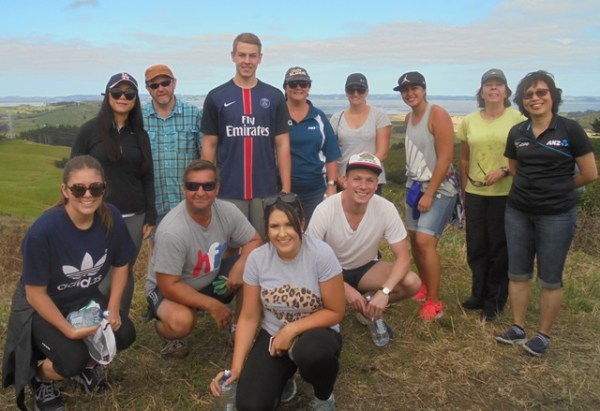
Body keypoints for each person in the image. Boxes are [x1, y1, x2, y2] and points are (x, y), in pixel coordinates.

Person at [2, 155, 136, 411]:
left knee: (125, 333)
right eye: (78, 189)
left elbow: (121, 263)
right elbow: (35, 295)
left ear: (104, 188)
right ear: (65, 190)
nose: (88, 195)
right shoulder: (43, 232)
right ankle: (41, 378)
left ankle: (86, 369)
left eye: (95, 188)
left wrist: (114, 307)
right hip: (41, 307)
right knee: (72, 358)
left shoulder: (111, 217)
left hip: (82, 299)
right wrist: (68, 330)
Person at [210, 193, 345, 410]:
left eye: (289, 224)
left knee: (311, 353)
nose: (282, 234)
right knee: (250, 406)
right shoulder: (257, 259)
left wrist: (291, 329)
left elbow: (335, 311)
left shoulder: (321, 254)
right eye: (274, 226)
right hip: (274, 334)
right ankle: (283, 377)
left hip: (318, 332)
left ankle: (324, 397)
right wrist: (236, 368)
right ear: (267, 229)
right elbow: (249, 317)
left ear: (302, 224)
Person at [496, 70, 597, 356]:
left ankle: (542, 335)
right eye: (528, 94)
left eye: (541, 92)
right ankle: (517, 328)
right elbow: (514, 169)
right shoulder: (518, 132)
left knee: (550, 277)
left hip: (557, 215)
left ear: (553, 96)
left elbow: (590, 173)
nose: (535, 98)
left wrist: (559, 187)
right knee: (518, 273)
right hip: (518, 211)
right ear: (522, 101)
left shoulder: (570, 130)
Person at [144, 159, 262, 358]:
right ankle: (167, 331)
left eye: (208, 186)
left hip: (210, 277)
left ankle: (239, 329)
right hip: (168, 288)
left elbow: (255, 240)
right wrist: (212, 305)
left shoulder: (228, 211)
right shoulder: (172, 230)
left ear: (217, 188)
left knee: (253, 266)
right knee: (182, 322)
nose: (200, 192)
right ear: (183, 189)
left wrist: (241, 264)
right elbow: (168, 286)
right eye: (193, 186)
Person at [306, 152, 421, 337]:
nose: (363, 186)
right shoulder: (325, 209)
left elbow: (403, 258)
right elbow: (309, 259)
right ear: (345, 181)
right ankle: (335, 308)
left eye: (370, 180)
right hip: (329, 272)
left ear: (376, 184)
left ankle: (369, 304)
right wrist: (344, 289)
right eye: (357, 179)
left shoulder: (386, 208)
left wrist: (385, 291)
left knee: (412, 283)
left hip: (365, 269)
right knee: (309, 294)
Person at [71, 72, 156, 316]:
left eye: (129, 93)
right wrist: (73, 211)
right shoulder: (89, 131)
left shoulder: (140, 134)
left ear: (135, 99)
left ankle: (119, 322)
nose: (122, 97)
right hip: (95, 214)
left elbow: (147, 176)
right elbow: (73, 172)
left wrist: (150, 216)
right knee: (94, 271)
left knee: (124, 269)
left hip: (133, 215)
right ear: (108, 95)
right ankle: (90, 320)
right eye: (117, 92)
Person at [201, 32, 292, 240]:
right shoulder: (216, 97)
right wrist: (206, 187)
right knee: (228, 246)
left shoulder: (274, 96)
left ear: (260, 58)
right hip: (228, 190)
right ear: (233, 56)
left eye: (252, 56)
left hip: (266, 190)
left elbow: (282, 144)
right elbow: (209, 145)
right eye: (242, 55)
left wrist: (286, 189)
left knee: (267, 243)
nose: (247, 61)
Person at [456, 69, 525, 321]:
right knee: (476, 246)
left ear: (506, 91)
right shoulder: (469, 121)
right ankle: (478, 294)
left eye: (498, 84)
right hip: (475, 193)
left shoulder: (517, 119)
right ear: (482, 91)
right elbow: (465, 158)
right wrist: (464, 190)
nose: (493, 88)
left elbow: (525, 156)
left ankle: (494, 301)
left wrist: (505, 170)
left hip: (505, 193)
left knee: (499, 247)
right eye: (488, 85)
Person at [394, 71, 458, 321]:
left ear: (424, 89)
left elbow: (446, 157)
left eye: (414, 88)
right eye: (405, 90)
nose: (410, 94)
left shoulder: (437, 114)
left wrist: (430, 193)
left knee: (424, 241)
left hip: (439, 187)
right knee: (413, 238)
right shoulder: (409, 117)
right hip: (414, 187)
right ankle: (423, 287)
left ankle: (434, 300)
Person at [142, 64, 202, 223]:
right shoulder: (139, 119)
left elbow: (205, 158)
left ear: (174, 83)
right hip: (155, 208)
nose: (161, 88)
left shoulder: (194, 114)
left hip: (189, 205)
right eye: (154, 85)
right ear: (148, 88)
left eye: (165, 83)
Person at [283, 66, 341, 223]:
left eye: (303, 83)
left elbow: (331, 154)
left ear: (309, 87)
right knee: (286, 233)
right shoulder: (277, 115)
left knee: (315, 234)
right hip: (282, 190)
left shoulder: (319, 117)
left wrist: (332, 186)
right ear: (285, 87)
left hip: (315, 191)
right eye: (293, 83)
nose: (298, 87)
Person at [330, 73, 391, 195]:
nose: (356, 93)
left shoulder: (379, 116)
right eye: (351, 90)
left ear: (367, 92)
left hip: (371, 181)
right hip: (344, 181)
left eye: (360, 90)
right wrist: (338, 178)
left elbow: (382, 153)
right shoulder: (336, 119)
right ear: (346, 92)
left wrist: (359, 175)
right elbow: (331, 154)